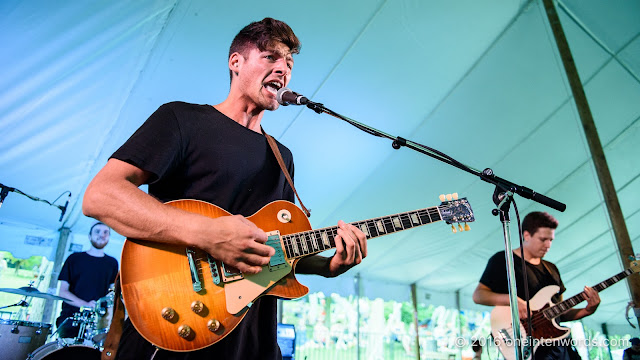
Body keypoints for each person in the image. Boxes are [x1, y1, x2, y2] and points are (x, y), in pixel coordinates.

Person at [82, 17, 367, 360]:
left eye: (289, 63)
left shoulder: (283, 158)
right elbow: (101, 195)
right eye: (271, 58)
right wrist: (208, 233)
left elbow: (274, 252)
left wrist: (327, 266)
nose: (283, 69)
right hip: (176, 323)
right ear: (236, 63)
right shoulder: (182, 119)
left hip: (252, 338)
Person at [472, 211, 600, 360]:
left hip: (560, 347)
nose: (548, 245)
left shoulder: (552, 269)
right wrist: (512, 300)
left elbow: (559, 313)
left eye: (551, 240)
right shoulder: (503, 260)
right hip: (526, 346)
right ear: (527, 235)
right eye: (543, 239)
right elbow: (478, 295)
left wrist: (588, 310)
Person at [56, 221, 119, 338]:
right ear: (89, 236)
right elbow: (62, 292)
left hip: (98, 322)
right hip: (71, 318)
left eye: (106, 232)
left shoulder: (112, 263)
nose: (102, 235)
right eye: (97, 231)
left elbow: (112, 292)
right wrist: (86, 305)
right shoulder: (74, 259)